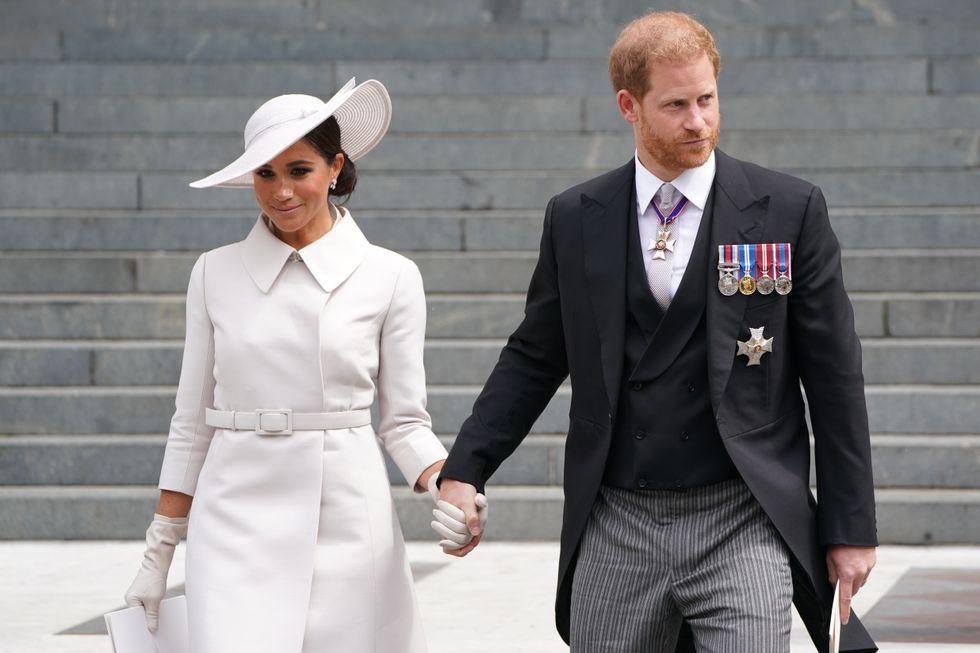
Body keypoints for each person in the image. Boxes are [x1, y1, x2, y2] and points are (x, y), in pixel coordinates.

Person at [438, 11, 878, 653]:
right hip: (617, 515)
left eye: (707, 98)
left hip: (742, 513)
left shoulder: (788, 209)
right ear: (629, 105)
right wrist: (466, 468)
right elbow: (535, 354)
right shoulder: (574, 216)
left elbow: (835, 375)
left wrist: (851, 526)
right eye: (675, 105)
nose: (698, 121)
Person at [123, 78, 470, 652]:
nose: (281, 191)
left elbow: (405, 422)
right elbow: (191, 421)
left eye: (299, 170)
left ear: (335, 168)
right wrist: (159, 551)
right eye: (265, 174)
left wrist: (449, 485)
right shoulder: (213, 273)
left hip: (348, 518)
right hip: (233, 515)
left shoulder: (391, 275)